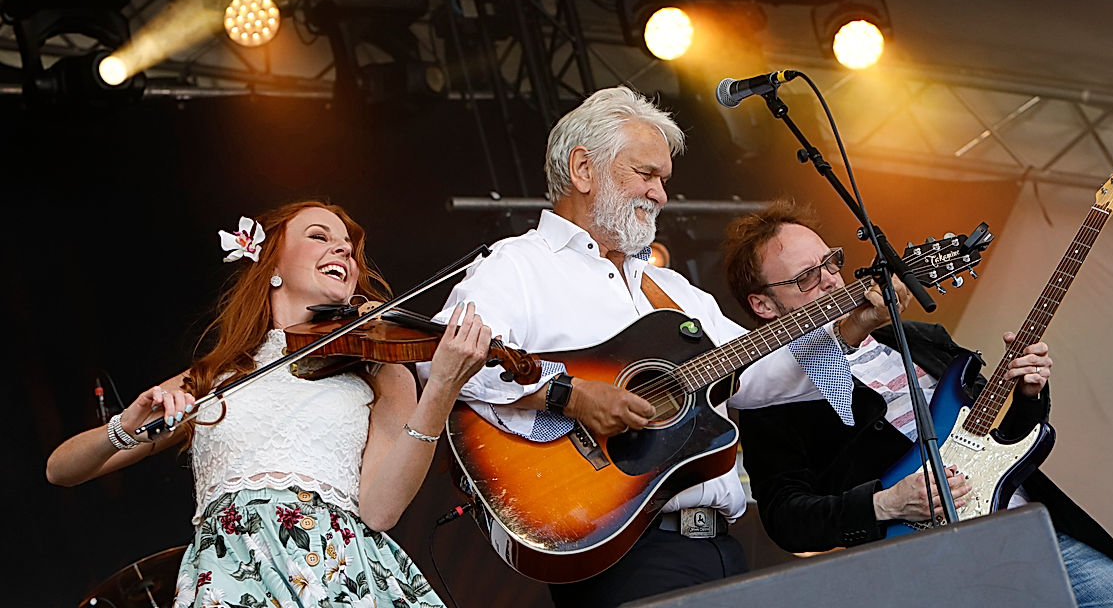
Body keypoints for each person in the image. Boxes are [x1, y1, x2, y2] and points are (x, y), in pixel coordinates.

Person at [425, 87, 815, 608]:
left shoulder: (671, 290)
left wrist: (853, 325)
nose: (661, 194)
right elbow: (442, 355)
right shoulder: (519, 264)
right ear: (583, 169)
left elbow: (760, 375)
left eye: (664, 181)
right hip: (619, 544)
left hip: (721, 547)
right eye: (646, 174)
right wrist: (568, 395)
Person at [723, 199, 1113, 607]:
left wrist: (1028, 393)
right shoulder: (768, 397)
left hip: (1034, 533)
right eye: (806, 277)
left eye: (832, 263)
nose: (832, 281)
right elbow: (785, 519)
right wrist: (886, 504)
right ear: (763, 304)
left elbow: (1002, 441)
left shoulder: (918, 338)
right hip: (933, 567)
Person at [46, 201, 493, 607]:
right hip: (228, 575)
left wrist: (441, 391)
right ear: (271, 261)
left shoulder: (378, 367)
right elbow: (60, 469)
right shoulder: (214, 376)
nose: (343, 251)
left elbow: (381, 510)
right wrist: (128, 423)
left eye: (349, 248)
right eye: (320, 236)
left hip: (334, 572)